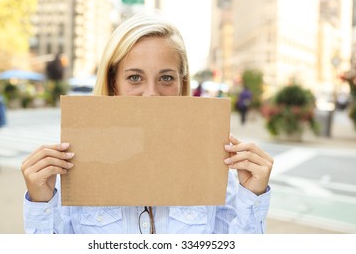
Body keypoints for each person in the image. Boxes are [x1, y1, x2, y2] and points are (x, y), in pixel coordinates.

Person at [22, 13, 274, 234]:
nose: (151, 94)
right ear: (113, 84)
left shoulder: (213, 165)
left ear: (181, 84)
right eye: (134, 78)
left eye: (166, 77)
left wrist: (252, 198)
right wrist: (41, 202)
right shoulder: (76, 163)